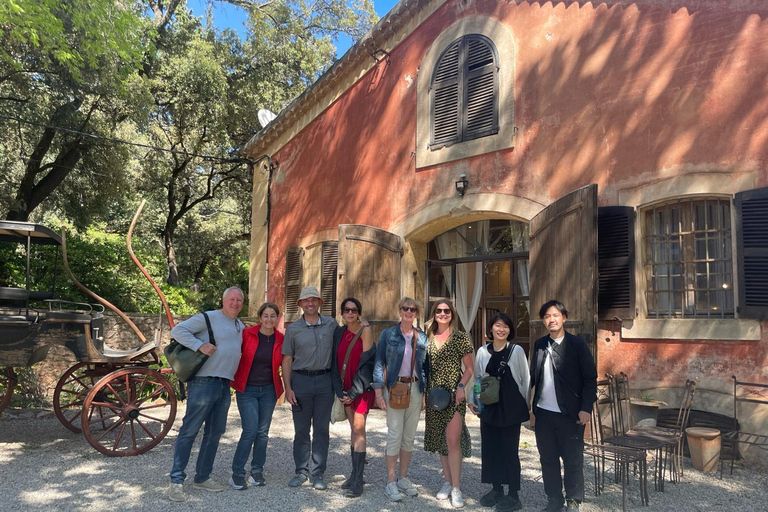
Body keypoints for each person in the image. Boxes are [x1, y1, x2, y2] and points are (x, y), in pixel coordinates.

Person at [168, 286, 245, 502]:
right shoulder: (208, 317)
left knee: (215, 433)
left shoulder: (239, 325)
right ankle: (176, 481)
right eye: (232, 299)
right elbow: (177, 331)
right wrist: (199, 345)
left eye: (239, 300)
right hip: (203, 381)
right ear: (224, 300)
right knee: (190, 431)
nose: (236, 303)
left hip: (223, 384)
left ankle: (202, 477)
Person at [529, 300, 597, 512]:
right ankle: (554, 499)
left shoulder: (577, 345)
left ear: (564, 318)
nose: (552, 319)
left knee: (572, 459)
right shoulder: (540, 344)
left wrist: (586, 407)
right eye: (547, 316)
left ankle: (573, 500)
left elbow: (590, 379)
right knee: (548, 459)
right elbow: (534, 378)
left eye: (556, 315)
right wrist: (532, 409)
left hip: (570, 414)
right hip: (544, 414)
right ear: (543, 320)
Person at [469, 312, 529, 512]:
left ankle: (513, 494)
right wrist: (474, 400)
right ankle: (496, 489)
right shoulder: (483, 351)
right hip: (489, 405)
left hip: (510, 407)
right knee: (491, 448)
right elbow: (478, 379)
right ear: (491, 328)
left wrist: (526, 406)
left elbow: (525, 380)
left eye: (505, 326)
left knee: (510, 450)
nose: (501, 329)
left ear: (510, 330)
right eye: (497, 325)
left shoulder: (517, 350)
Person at [282, 286, 338, 490]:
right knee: (301, 430)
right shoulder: (293, 329)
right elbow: (287, 360)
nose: (310, 303)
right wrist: (287, 388)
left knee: (322, 430)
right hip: (301, 381)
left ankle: (318, 473)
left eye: (314, 300)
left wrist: (363, 326)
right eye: (306, 300)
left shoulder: (331, 324)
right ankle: (301, 471)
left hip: (325, 382)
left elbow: (346, 342)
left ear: (320, 303)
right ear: (300, 304)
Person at [372, 297, 428, 503]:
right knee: (395, 434)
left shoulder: (421, 337)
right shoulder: (388, 334)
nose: (409, 311)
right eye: (405, 308)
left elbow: (425, 368)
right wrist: (378, 392)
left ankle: (403, 478)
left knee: (409, 436)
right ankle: (389, 481)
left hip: (415, 388)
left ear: (417, 313)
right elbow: (379, 363)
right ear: (399, 310)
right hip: (395, 387)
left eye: (413, 309)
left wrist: (425, 393)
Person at [424, 299, 474, 509]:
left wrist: (462, 386)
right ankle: (447, 480)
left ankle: (456, 487)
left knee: (453, 440)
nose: (442, 314)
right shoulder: (427, 337)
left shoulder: (461, 337)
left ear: (452, 314)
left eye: (446, 311)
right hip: (433, 395)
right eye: (438, 311)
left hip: (454, 396)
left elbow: (470, 368)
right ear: (434, 313)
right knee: (440, 441)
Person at [229, 302, 284, 490]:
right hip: (247, 389)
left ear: (277, 318)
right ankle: (237, 473)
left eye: (273, 316)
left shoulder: (281, 339)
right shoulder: (247, 334)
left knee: (263, 433)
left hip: (269, 390)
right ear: (260, 317)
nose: (269, 319)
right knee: (250, 430)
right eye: (266, 315)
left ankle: (257, 471)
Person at [331, 297, 375, 498]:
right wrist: (340, 391)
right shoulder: (339, 332)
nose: (350, 313)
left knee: (359, 428)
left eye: (354, 310)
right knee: (353, 430)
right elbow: (334, 362)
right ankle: (354, 474)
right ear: (342, 313)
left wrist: (353, 392)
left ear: (359, 312)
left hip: (361, 388)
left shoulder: (365, 330)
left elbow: (367, 364)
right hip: (345, 389)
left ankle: (358, 480)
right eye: (347, 310)